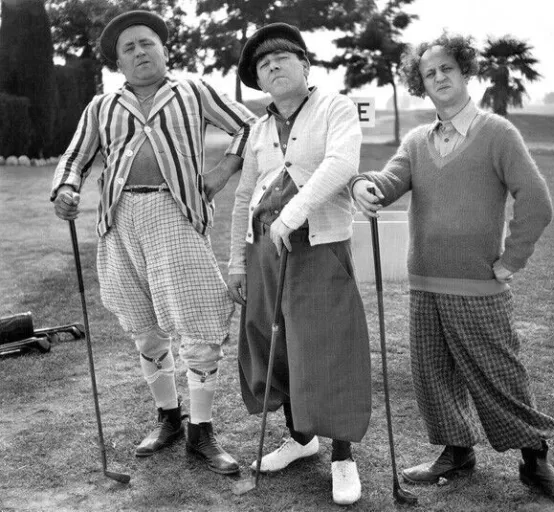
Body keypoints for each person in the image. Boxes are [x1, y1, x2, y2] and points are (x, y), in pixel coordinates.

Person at [351, 33, 554, 510]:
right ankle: (456, 454)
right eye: (428, 73)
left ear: (464, 72)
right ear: (420, 84)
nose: (439, 78)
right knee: (431, 373)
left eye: (446, 69)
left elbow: (537, 203)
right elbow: (390, 179)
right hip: (424, 282)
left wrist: (510, 262)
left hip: (478, 284)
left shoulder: (498, 133)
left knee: (499, 374)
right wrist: (364, 184)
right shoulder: (417, 141)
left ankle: (535, 461)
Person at [51, 10, 256, 475]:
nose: (140, 52)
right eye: (129, 48)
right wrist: (66, 188)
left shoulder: (194, 91)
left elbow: (249, 126)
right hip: (119, 221)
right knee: (143, 325)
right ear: (118, 63)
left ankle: (201, 433)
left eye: (147, 43)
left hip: (175, 215)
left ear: (164, 50)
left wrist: (222, 171)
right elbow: (76, 156)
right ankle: (168, 418)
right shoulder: (102, 106)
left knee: (199, 320)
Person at [227, 23, 371, 506]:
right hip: (265, 248)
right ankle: (300, 440)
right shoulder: (258, 127)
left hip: (318, 244)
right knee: (276, 342)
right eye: (263, 65)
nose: (272, 66)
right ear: (260, 83)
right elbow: (244, 194)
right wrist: (236, 262)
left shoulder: (335, 106)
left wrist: (292, 214)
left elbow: (342, 162)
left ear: (305, 66)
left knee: (326, 344)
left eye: (282, 58)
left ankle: (342, 457)